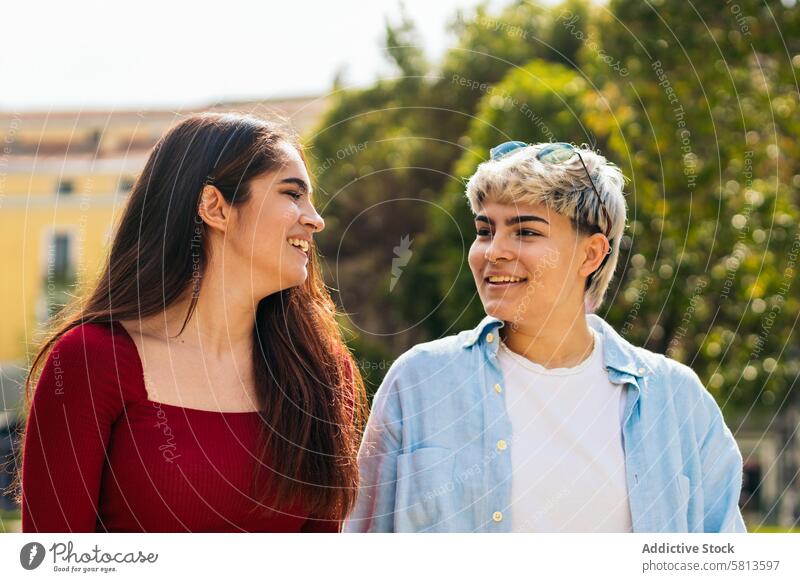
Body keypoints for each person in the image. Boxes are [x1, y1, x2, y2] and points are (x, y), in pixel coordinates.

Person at [345, 141, 745, 533]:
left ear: (591, 255)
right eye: (485, 230)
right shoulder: (420, 381)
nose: (494, 251)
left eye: (526, 232)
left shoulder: (676, 400)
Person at [19, 113, 365, 532]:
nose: (315, 219)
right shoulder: (88, 362)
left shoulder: (324, 375)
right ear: (215, 207)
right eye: (292, 194)